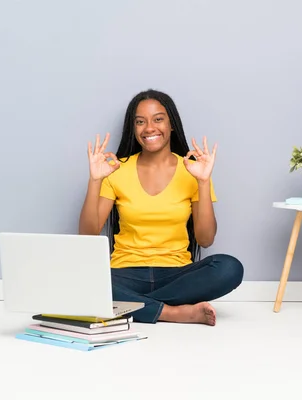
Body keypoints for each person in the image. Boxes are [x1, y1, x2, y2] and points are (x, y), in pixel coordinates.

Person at [78, 89, 243, 326]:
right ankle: (171, 312)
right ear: (133, 129)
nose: (149, 128)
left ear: (171, 124)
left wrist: (203, 182)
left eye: (158, 119)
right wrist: (95, 180)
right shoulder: (116, 170)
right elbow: (87, 235)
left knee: (229, 268)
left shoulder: (193, 171)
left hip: (176, 274)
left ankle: (131, 306)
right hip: (125, 271)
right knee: (81, 277)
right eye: (140, 122)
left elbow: (205, 239)